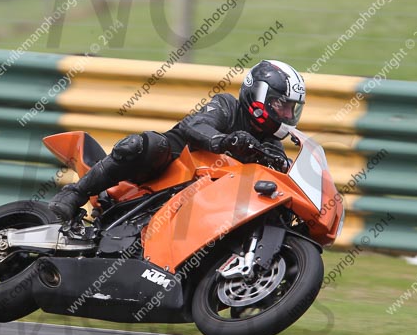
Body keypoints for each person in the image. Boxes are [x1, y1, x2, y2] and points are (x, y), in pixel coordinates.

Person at [48, 60, 307, 221]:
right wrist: (224, 141)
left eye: (291, 109)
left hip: (204, 207)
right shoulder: (228, 106)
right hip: (167, 169)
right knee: (146, 144)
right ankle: (74, 194)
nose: (286, 115)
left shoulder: (271, 147)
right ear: (259, 95)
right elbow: (194, 125)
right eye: (281, 106)